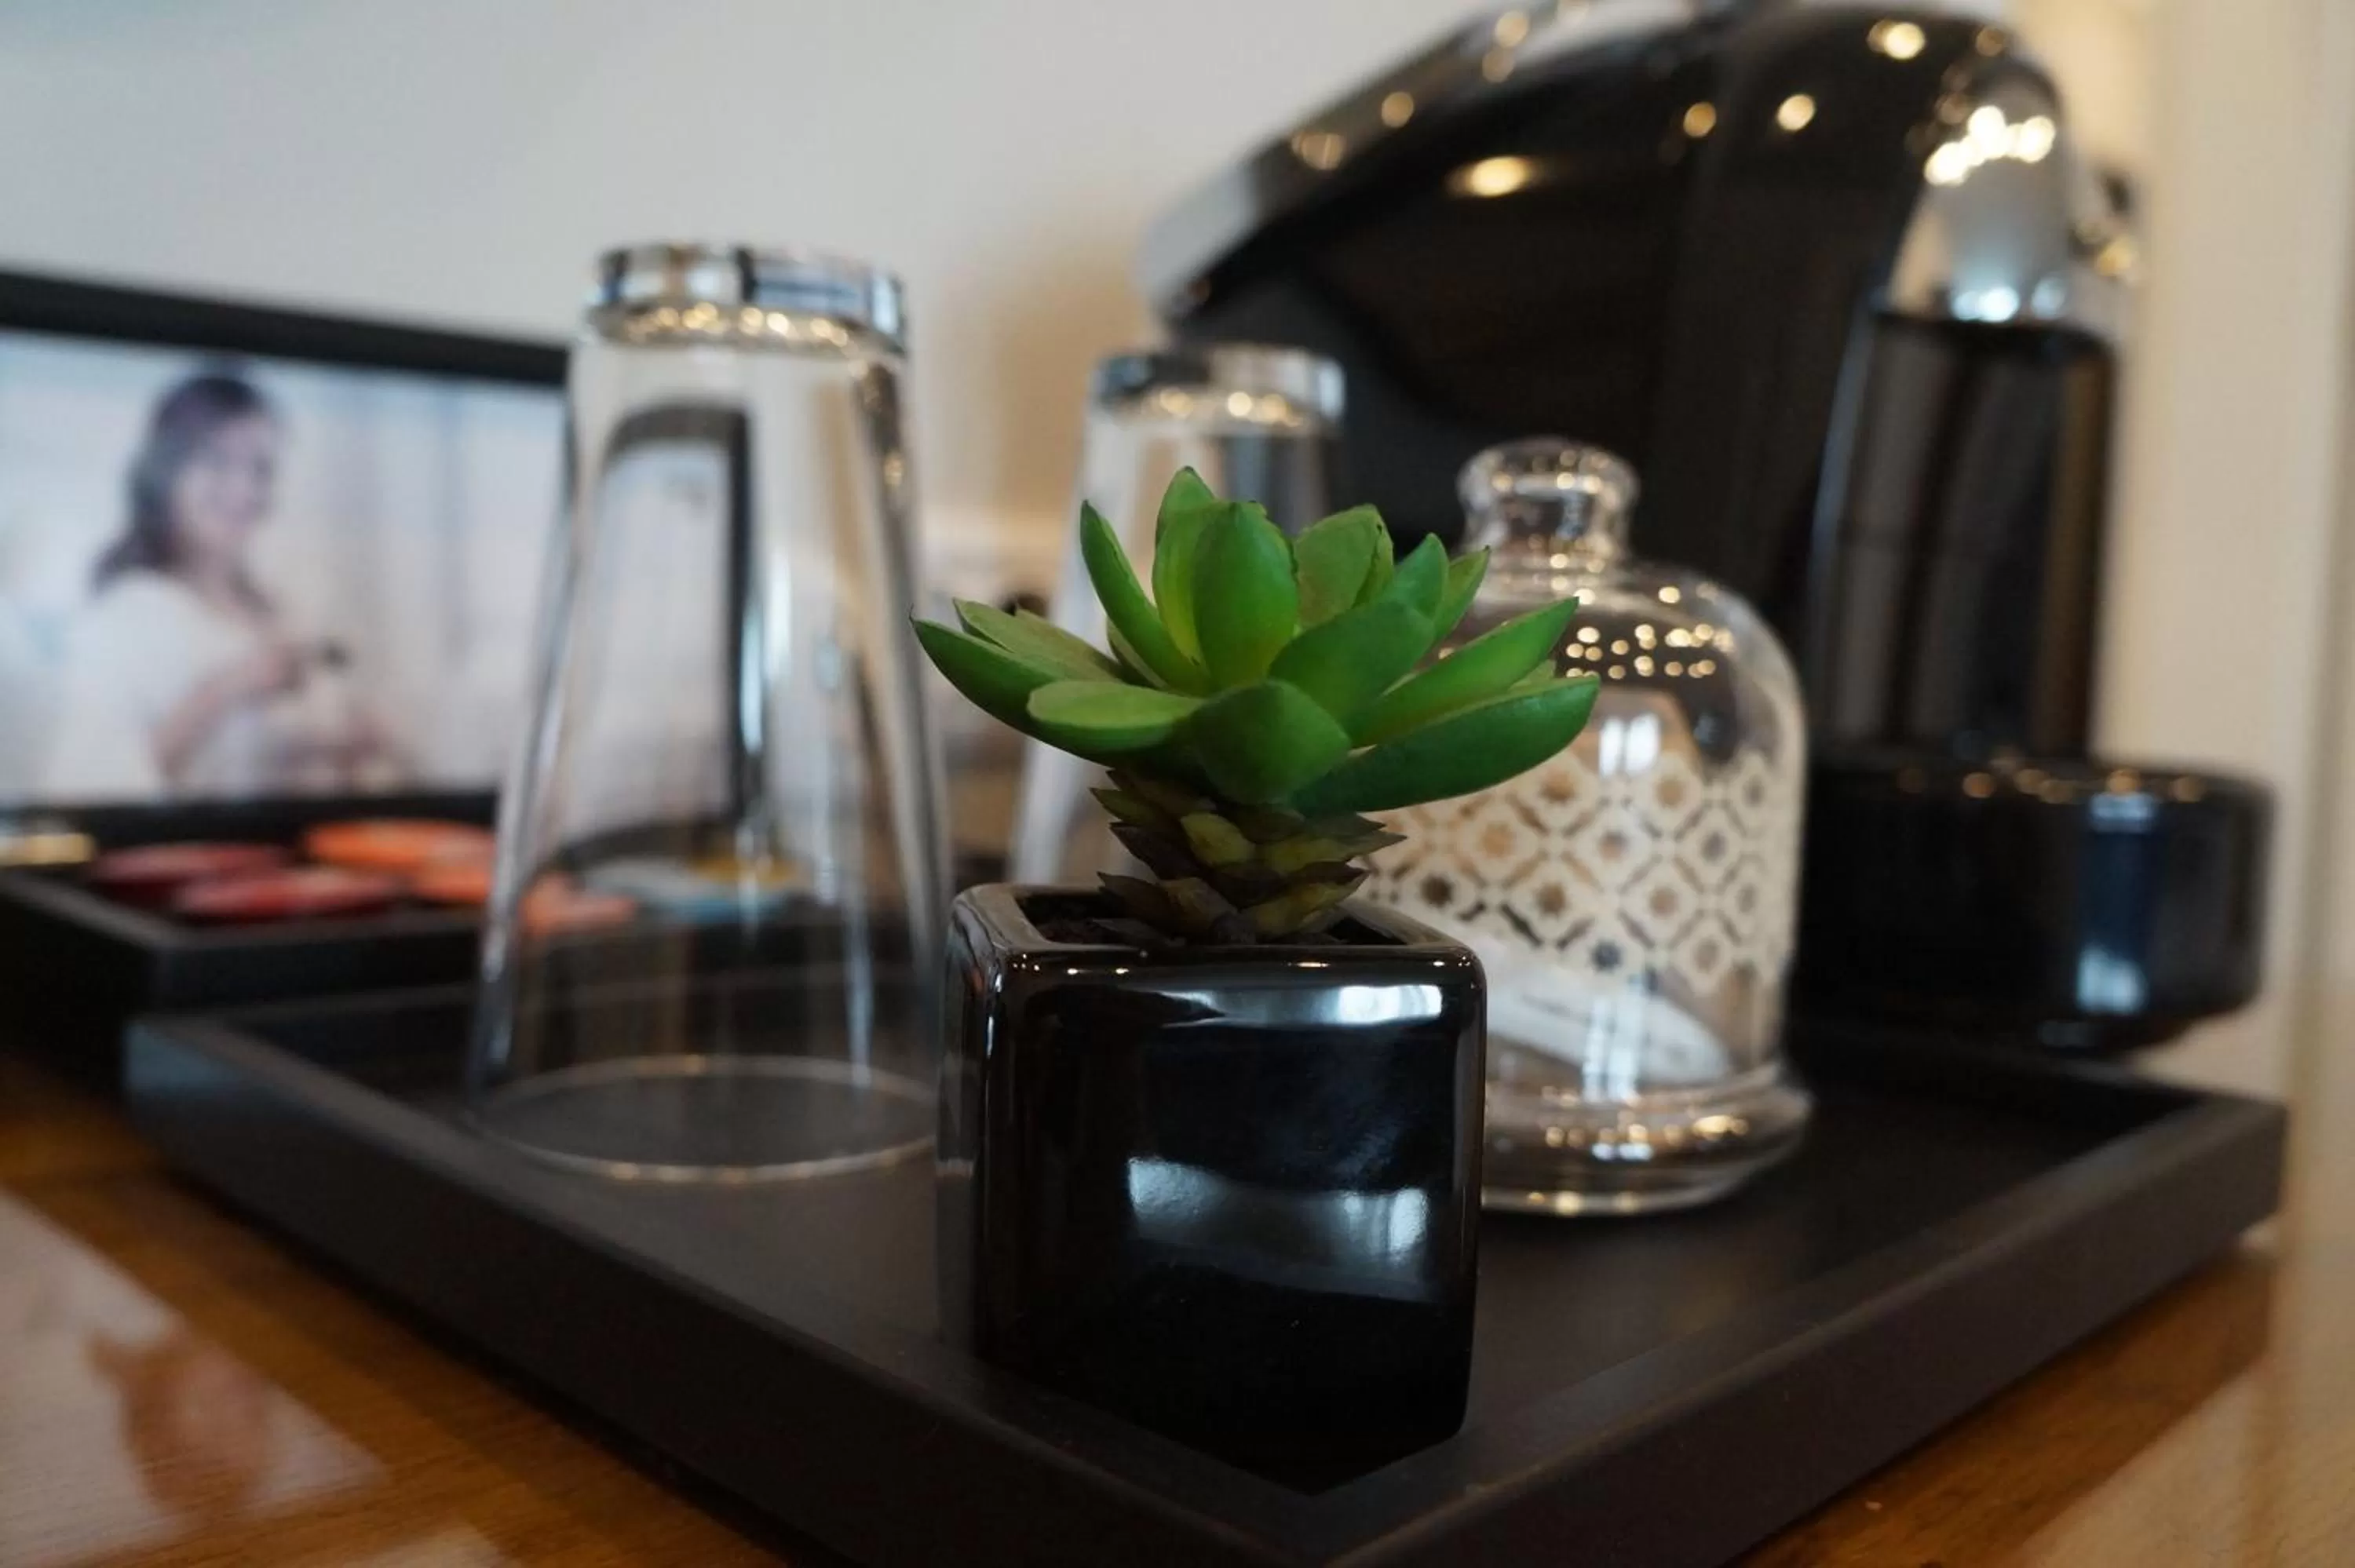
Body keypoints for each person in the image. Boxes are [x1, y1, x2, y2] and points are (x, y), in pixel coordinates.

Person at [41, 371, 392, 797]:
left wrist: (333, 751)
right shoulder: (127, 614)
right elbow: (90, 789)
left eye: (261, 469)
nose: (245, 489)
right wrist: (226, 690)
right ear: (166, 468)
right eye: (218, 460)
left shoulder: (279, 611)